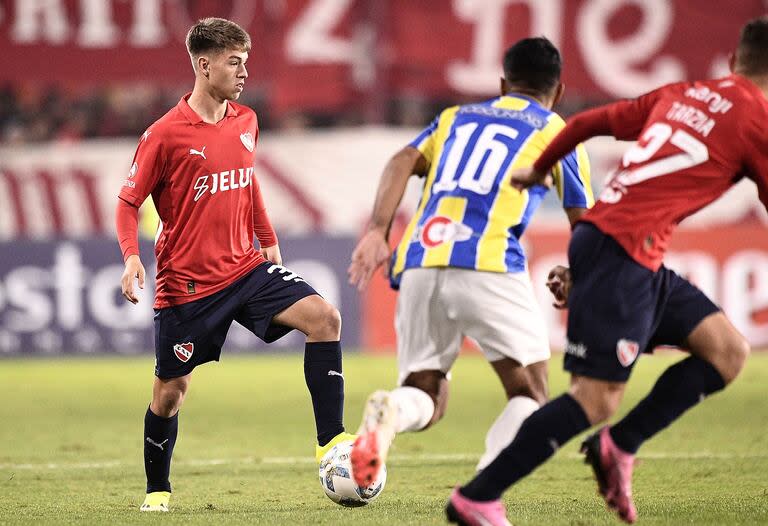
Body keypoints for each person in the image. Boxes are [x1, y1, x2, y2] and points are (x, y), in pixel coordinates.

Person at [447, 16, 768, 526]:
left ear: (732, 62)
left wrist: (537, 168)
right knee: (594, 400)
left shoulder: (683, 93)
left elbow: (583, 123)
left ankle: (619, 445)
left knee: (726, 351)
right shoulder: (760, 121)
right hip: (623, 250)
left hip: (622, 247)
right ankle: (478, 496)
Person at [115, 17, 355, 513]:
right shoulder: (164, 134)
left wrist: (267, 238)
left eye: (245, 61)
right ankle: (157, 489)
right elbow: (127, 201)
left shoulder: (246, 121)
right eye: (234, 62)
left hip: (245, 270)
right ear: (204, 66)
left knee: (325, 319)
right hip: (188, 288)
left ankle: (332, 445)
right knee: (169, 395)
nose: (244, 72)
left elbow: (247, 182)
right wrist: (132, 258)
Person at [347, 37, 593, 489]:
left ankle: (390, 413)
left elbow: (402, 160)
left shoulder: (454, 118)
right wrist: (581, 274)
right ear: (558, 92)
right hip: (489, 263)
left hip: (421, 259)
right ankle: (482, 489)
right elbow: (585, 221)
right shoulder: (558, 131)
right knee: (531, 393)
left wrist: (378, 232)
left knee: (425, 392)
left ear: (503, 84)